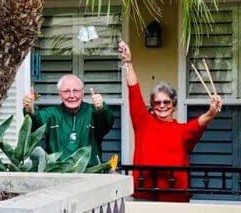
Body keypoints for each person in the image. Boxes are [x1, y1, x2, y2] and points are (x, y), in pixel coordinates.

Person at [118, 41, 222, 202]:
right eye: (157, 102)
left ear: (173, 105)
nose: (162, 106)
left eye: (167, 102)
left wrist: (212, 112)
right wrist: (128, 62)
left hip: (175, 198)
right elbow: (134, 90)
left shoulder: (182, 131)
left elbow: (197, 124)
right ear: (151, 106)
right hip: (145, 194)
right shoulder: (143, 123)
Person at [23, 74, 114, 166]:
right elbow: (35, 124)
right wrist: (30, 111)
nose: (72, 95)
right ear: (60, 95)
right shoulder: (52, 114)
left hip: (89, 172)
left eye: (76, 91)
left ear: (82, 94)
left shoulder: (93, 112)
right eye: (66, 91)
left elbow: (107, 123)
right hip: (58, 172)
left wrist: (101, 108)